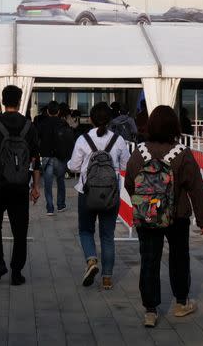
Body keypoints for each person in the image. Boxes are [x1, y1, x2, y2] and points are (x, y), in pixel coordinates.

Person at [124, 105, 203, 328]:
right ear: (175, 126)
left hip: (147, 215)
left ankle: (150, 311)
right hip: (177, 215)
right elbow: (197, 188)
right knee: (179, 258)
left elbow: (130, 182)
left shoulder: (139, 151)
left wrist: (143, 203)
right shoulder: (181, 153)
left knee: (149, 259)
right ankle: (181, 303)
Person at [0, 85, 40, 286]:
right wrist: (36, 186)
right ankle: (16, 272)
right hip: (21, 185)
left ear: (3, 101)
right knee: (20, 229)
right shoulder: (29, 126)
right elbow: (35, 159)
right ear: (20, 100)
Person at [67, 102, 130, 291]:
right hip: (111, 194)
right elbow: (126, 165)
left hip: (86, 193)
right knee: (107, 235)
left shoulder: (83, 139)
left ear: (91, 119)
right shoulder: (118, 140)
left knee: (86, 231)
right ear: (110, 119)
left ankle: (92, 260)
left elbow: (73, 167)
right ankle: (107, 279)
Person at [37, 100, 70, 216]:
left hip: (46, 156)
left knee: (48, 183)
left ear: (47, 111)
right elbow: (69, 140)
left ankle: (50, 208)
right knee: (60, 181)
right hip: (60, 156)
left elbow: (38, 139)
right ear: (59, 111)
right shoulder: (63, 124)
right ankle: (60, 205)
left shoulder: (42, 123)